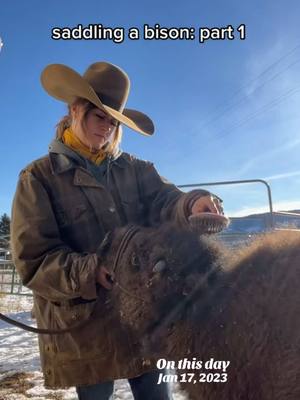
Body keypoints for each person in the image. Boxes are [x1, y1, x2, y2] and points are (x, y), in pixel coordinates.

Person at [11, 61, 224, 400]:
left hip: (144, 319)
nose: (107, 128)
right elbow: (33, 260)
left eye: (114, 121)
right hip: (87, 327)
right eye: (100, 117)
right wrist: (90, 270)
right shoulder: (37, 179)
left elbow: (166, 200)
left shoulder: (138, 170)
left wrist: (192, 204)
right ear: (75, 110)